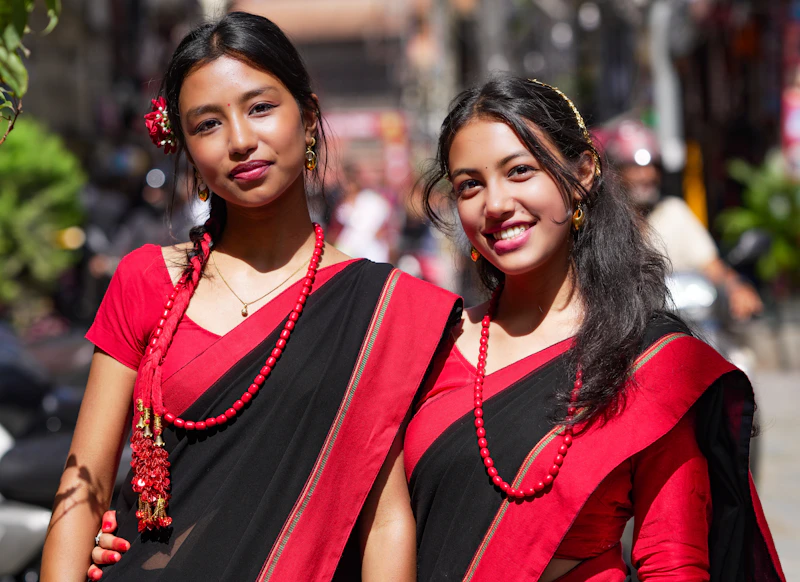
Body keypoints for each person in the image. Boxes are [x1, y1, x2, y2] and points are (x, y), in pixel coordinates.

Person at [41, 13, 459, 582]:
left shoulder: (382, 308)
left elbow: (385, 523)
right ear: (185, 146)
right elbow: (82, 488)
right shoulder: (148, 281)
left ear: (307, 119)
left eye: (260, 108)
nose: (239, 140)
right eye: (208, 124)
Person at [403, 77, 784, 580]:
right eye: (469, 185)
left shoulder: (647, 359)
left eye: (520, 171)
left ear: (581, 173)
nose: (494, 204)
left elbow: (673, 559)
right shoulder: (429, 347)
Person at [600, 117, 763, 321]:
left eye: (653, 166)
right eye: (635, 167)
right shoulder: (603, 223)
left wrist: (736, 288)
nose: (647, 175)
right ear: (615, 172)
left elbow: (711, 265)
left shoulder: (673, 212)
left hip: (683, 324)